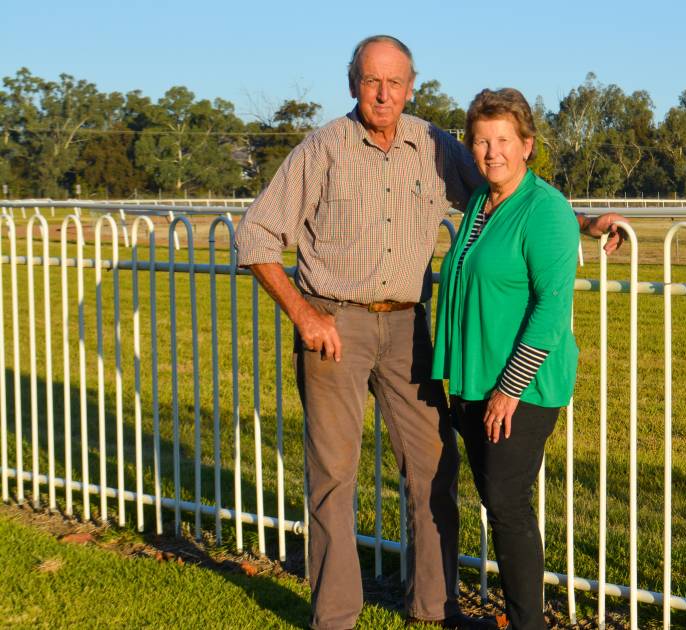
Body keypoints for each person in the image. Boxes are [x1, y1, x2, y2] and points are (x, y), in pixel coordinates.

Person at [234, 36, 625, 630]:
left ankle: (433, 607)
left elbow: (511, 195)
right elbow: (256, 234)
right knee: (334, 474)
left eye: (395, 82)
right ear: (353, 84)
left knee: (433, 468)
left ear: (412, 85)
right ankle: (336, 614)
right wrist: (304, 314)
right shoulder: (323, 149)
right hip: (335, 323)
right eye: (371, 81)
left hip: (408, 328)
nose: (384, 94)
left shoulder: (434, 146)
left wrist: (584, 222)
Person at [432, 88, 583, 630]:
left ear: (527, 146)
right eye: (480, 141)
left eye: (502, 140)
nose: (491, 151)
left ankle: (527, 624)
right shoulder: (481, 203)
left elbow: (550, 308)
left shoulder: (545, 210)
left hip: (519, 389)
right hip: (475, 379)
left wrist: (509, 390)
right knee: (498, 503)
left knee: (507, 505)